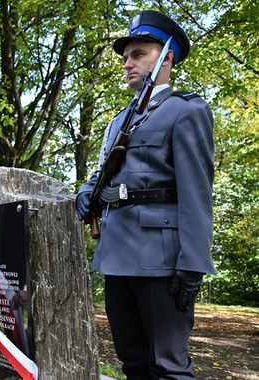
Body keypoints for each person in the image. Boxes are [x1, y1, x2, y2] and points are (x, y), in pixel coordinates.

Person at [75, 10, 215, 379]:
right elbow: (105, 169)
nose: (127, 63)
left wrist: (193, 265)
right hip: (116, 255)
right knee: (133, 361)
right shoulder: (119, 120)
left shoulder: (185, 111)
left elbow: (197, 193)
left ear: (166, 57)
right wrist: (87, 191)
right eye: (126, 56)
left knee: (169, 366)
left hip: (161, 258)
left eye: (139, 54)